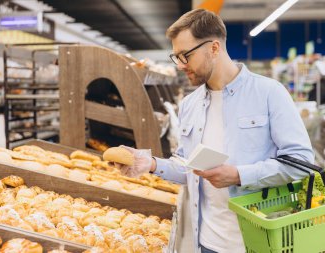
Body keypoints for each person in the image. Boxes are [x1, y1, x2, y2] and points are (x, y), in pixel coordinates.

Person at [120, 9, 314, 253]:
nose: (180, 65)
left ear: (213, 48)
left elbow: (302, 161)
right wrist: (149, 163)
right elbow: (190, 168)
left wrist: (239, 175)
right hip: (207, 243)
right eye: (176, 57)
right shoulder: (190, 105)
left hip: (260, 241)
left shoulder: (269, 93)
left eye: (185, 55)